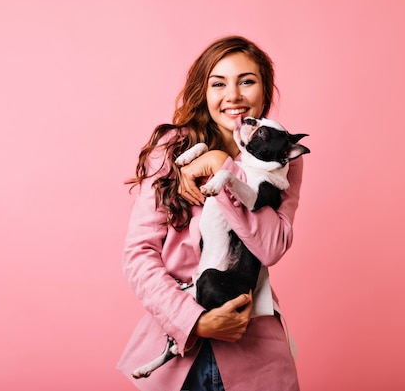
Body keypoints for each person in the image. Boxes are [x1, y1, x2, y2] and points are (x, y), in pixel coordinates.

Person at [117, 35, 304, 391]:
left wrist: (223, 166)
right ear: (204, 91)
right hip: (177, 348)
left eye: (246, 81)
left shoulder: (281, 159)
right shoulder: (172, 148)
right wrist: (194, 320)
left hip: (253, 350)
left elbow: (272, 247)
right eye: (219, 83)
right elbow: (138, 254)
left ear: (265, 92)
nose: (233, 96)